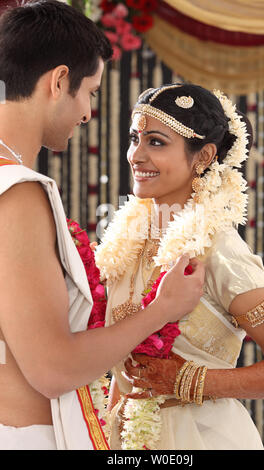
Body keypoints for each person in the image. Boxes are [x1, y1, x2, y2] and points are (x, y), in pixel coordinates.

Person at [0, 2, 205, 450]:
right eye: (89, 91)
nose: (89, 112)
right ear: (58, 81)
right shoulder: (15, 192)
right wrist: (161, 311)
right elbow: (52, 369)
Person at [94, 83, 264, 450]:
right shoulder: (123, 244)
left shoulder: (217, 249)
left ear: (203, 156)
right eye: (133, 139)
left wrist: (189, 381)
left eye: (156, 142)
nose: (135, 155)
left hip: (204, 438)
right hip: (126, 439)